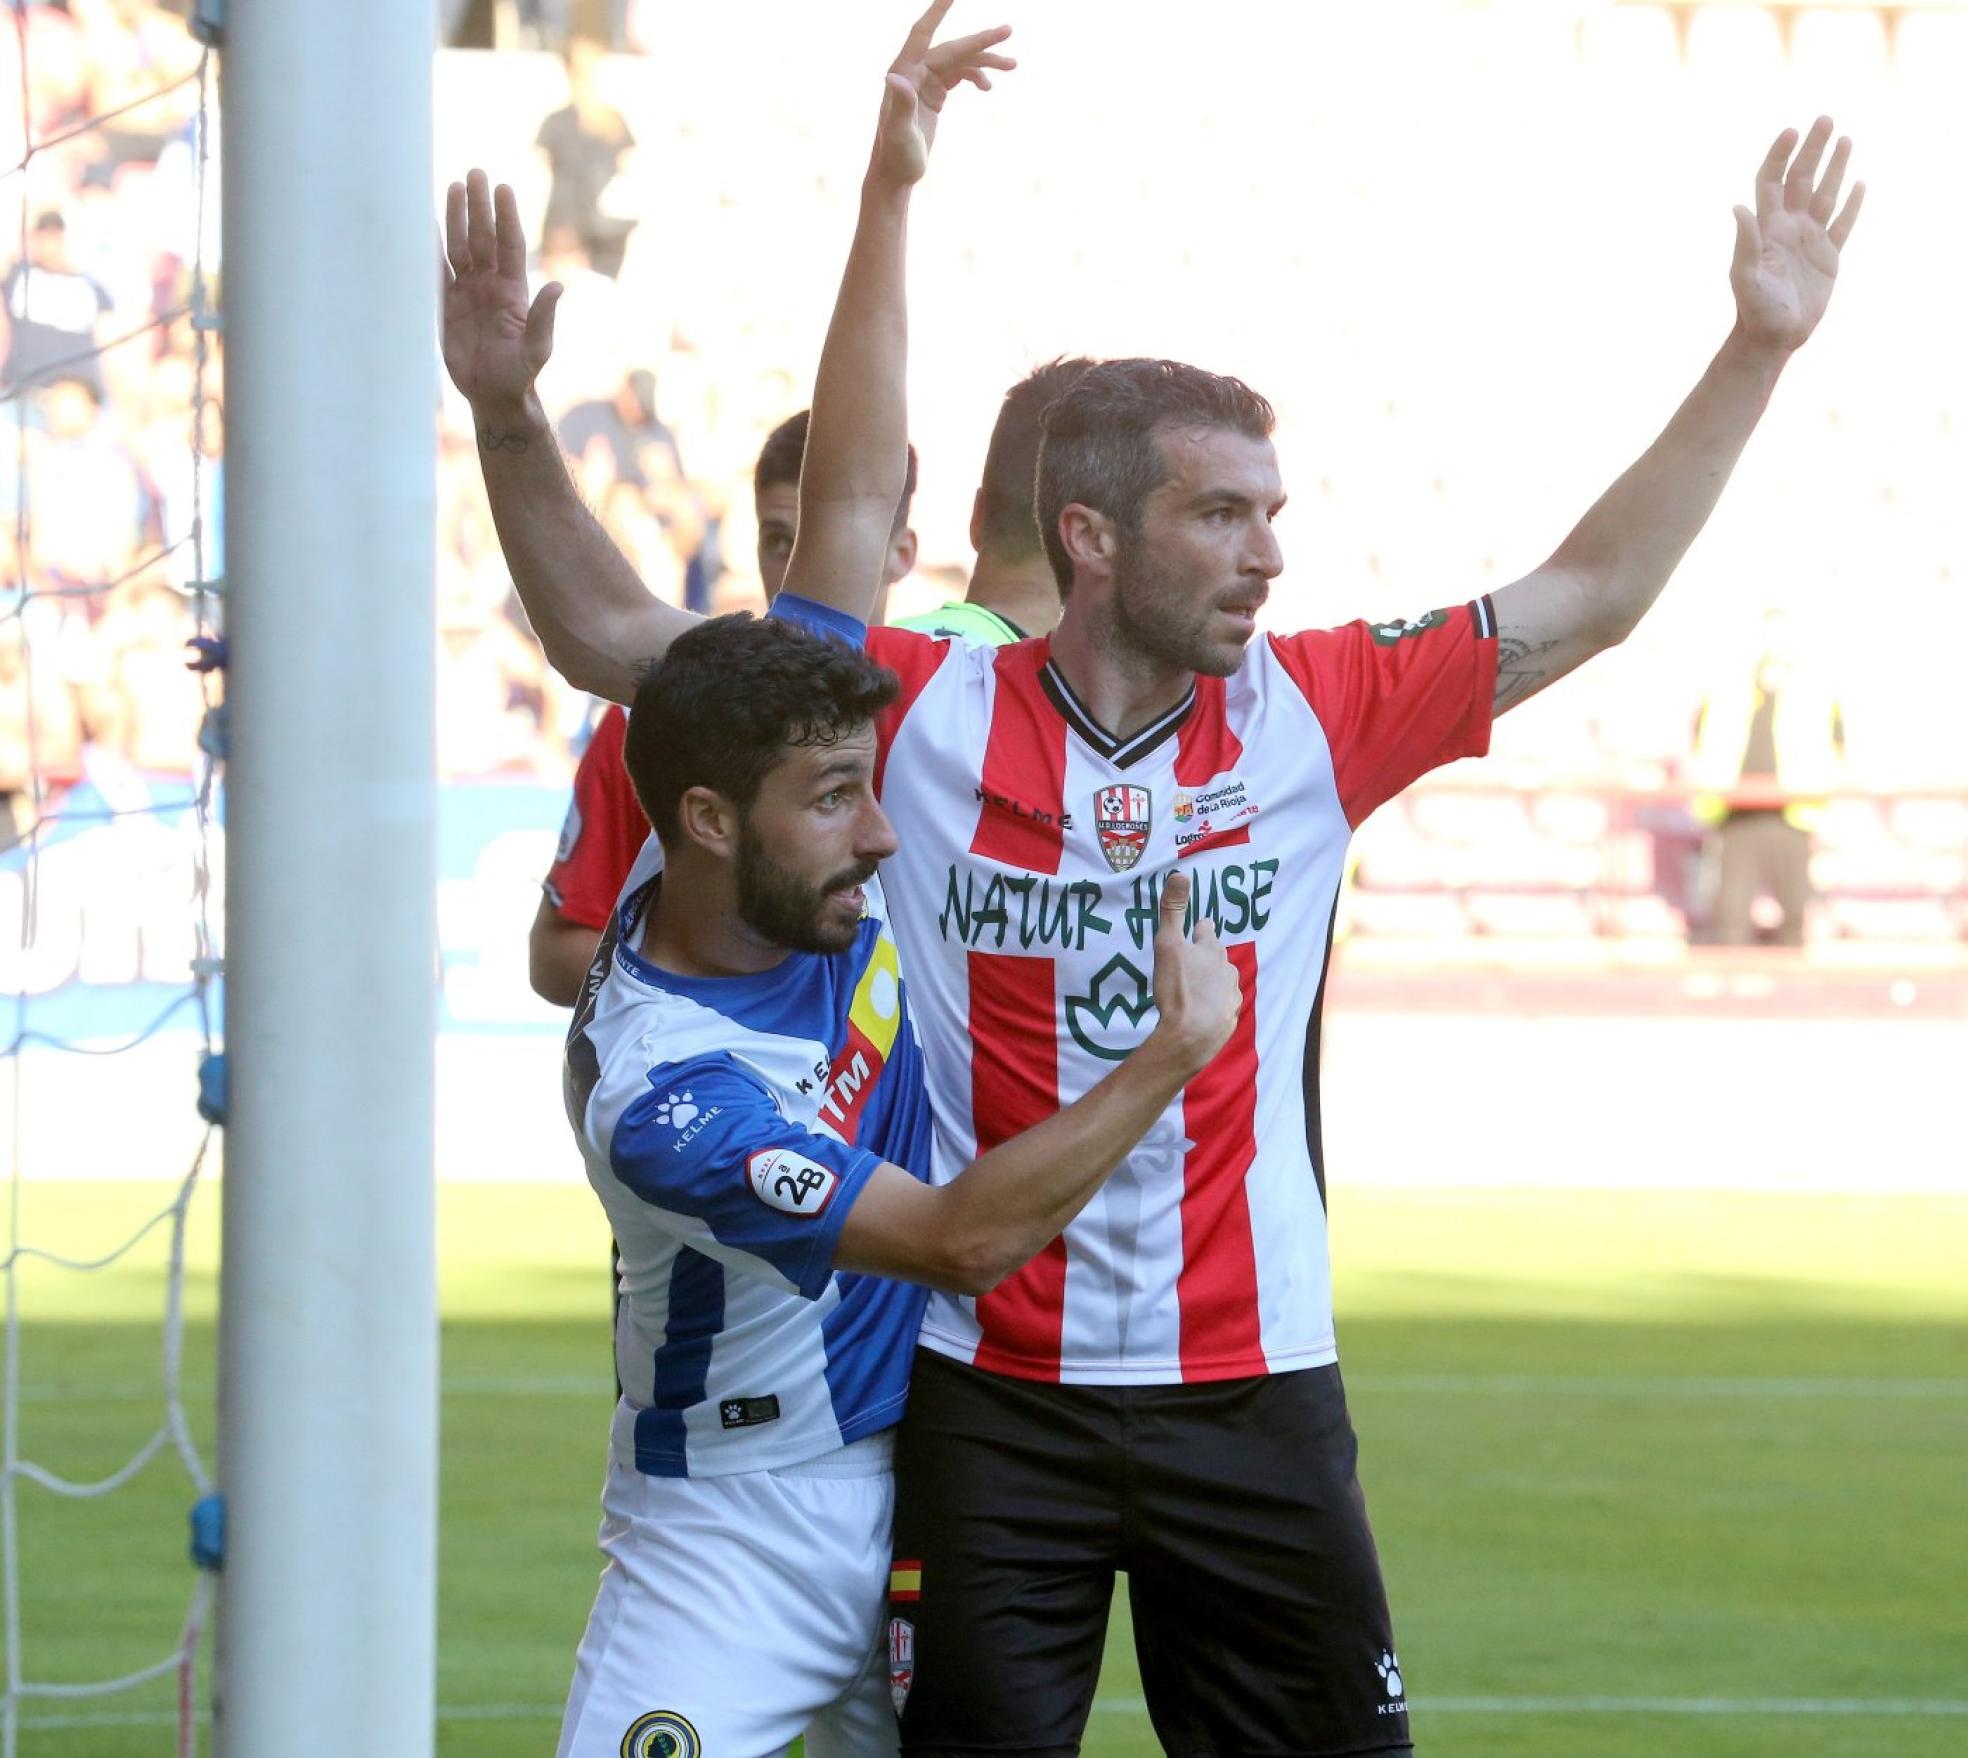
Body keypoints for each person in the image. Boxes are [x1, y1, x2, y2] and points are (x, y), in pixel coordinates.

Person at [456, 39, 1863, 1746]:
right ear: (1092, 536)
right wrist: (872, 196)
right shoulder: (916, 714)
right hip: (989, 1404)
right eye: (1220, 514)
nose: (1268, 552)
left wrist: (1757, 342)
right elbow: (650, 621)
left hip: (1252, 1391)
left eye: (1272, 513)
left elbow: (1597, 589)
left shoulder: (1324, 706)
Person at [527, 409, 922, 1006]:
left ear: (900, 552)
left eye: (825, 538)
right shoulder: (671, 709)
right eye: (777, 539)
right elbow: (554, 957)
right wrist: (747, 984)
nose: (797, 570)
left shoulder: (955, 705)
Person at [1690, 607, 1846, 946]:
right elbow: (1701, 739)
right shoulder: (1726, 688)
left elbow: (1837, 747)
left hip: (1792, 816)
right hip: (1736, 815)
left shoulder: (1816, 691)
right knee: (1731, 914)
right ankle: (1732, 990)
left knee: (1794, 914)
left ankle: (1794, 994)